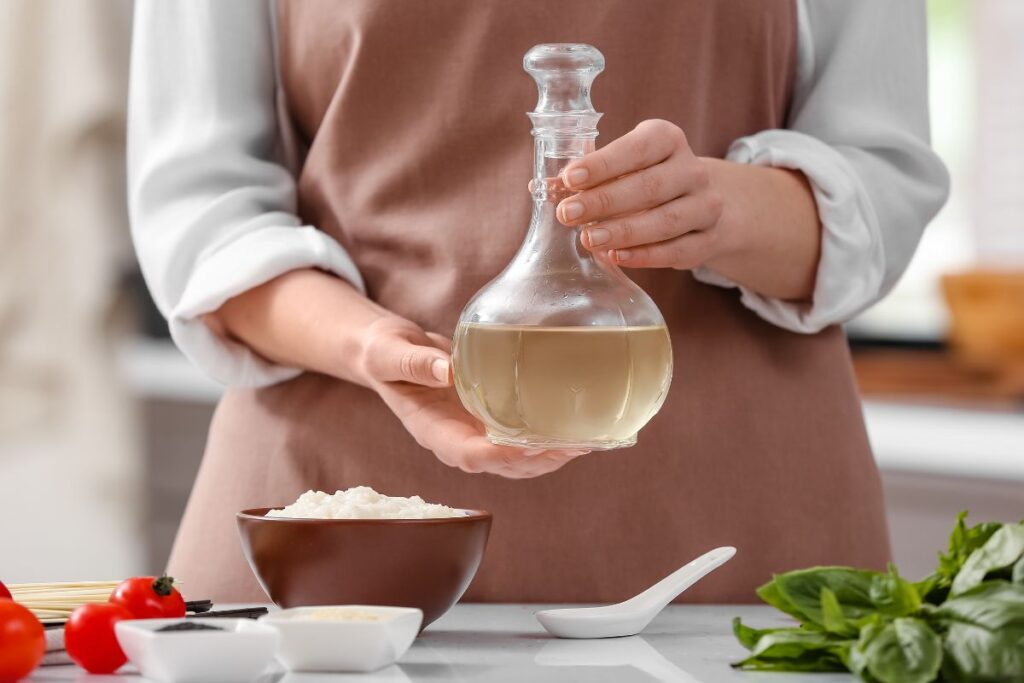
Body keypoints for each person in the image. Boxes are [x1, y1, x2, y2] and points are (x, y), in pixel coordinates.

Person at [129, 0, 948, 603]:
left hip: (738, 546)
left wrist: (713, 208)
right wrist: (375, 349)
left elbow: (882, 188)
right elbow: (203, 221)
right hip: (342, 527)